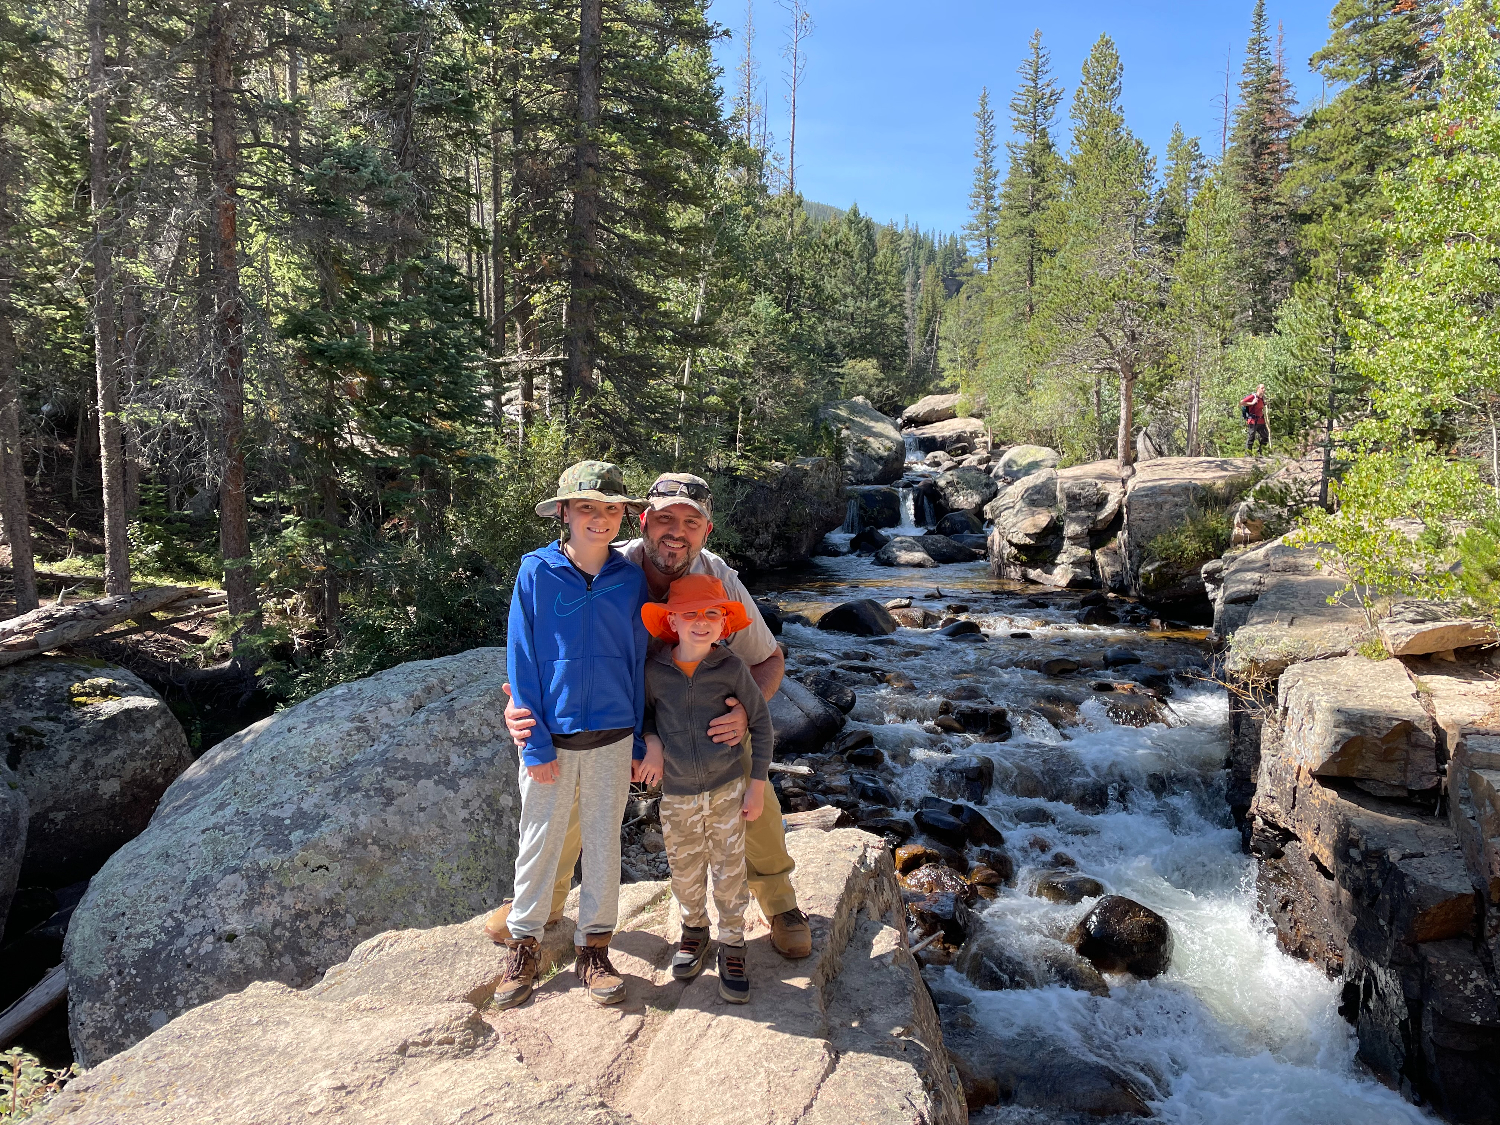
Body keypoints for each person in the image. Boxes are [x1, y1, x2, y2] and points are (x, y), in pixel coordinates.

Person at [489, 472, 813, 960]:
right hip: (620, 715)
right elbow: (543, 639)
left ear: (707, 530)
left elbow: (769, 659)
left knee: (748, 779)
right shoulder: (610, 563)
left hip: (702, 718)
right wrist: (519, 704)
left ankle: (780, 903)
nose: (675, 532)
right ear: (643, 521)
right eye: (664, 519)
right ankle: (544, 907)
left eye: (690, 521)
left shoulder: (718, 576)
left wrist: (746, 713)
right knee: (570, 791)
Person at [494, 461, 651, 1012]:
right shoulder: (535, 572)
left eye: (611, 510)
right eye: (588, 508)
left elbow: (636, 660)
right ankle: (524, 946)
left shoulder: (630, 579)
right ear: (564, 512)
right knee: (539, 843)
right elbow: (523, 657)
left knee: (605, 844)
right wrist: (533, 743)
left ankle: (595, 949)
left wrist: (636, 739)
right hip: (551, 742)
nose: (600, 519)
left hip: (611, 736)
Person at [640, 574, 774, 1003]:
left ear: (724, 624)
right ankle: (694, 929)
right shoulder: (654, 670)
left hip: (726, 788)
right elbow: (644, 717)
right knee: (684, 868)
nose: (702, 622)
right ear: (672, 622)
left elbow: (762, 725)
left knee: (730, 868)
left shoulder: (731, 668)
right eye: (690, 614)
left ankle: (733, 943)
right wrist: (655, 744)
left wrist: (756, 785)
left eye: (712, 613)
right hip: (676, 791)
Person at [1241, 384, 1270, 453]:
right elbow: (1241, 403)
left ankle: (1260, 453)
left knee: (1265, 437)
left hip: (1261, 421)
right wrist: (1252, 403)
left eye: (1264, 388)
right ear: (1258, 389)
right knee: (1251, 438)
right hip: (1252, 420)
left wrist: (1265, 404)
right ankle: (1247, 454)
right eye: (1262, 388)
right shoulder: (1253, 396)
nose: (1264, 389)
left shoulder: (1262, 398)